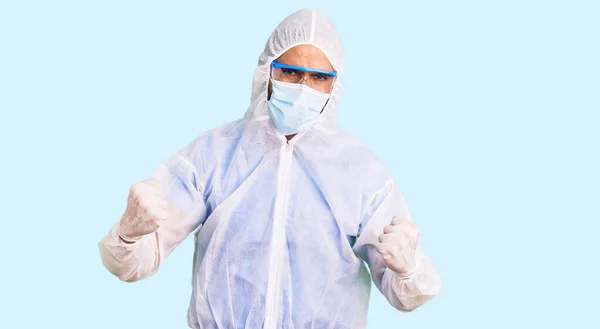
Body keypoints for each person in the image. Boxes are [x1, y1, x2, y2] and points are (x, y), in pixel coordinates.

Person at [98, 8, 441, 329]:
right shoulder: (213, 155)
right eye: (290, 71)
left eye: (318, 77)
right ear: (267, 72)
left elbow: (406, 295)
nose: (303, 87)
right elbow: (134, 263)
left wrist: (410, 269)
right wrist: (129, 233)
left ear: (333, 87)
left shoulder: (363, 174)